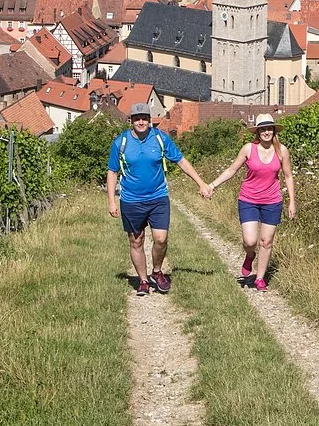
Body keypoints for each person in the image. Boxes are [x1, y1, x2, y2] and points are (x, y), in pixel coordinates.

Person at [106, 103, 211, 296]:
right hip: (131, 200)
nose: (141, 122)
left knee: (161, 239)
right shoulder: (120, 143)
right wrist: (112, 200)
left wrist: (201, 183)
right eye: (137, 118)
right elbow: (112, 171)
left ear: (150, 119)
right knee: (136, 241)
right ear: (131, 121)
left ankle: (156, 271)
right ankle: (143, 281)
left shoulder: (160, 138)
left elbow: (181, 160)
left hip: (158, 197)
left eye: (144, 118)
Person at [209, 113, 295, 291]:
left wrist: (292, 202)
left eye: (269, 128)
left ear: (274, 131)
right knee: (250, 241)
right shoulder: (248, 149)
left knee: (266, 241)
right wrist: (212, 185)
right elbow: (232, 170)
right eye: (263, 129)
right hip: (249, 199)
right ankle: (250, 256)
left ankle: (260, 278)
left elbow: (288, 176)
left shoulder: (282, 151)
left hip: (272, 201)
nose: (266, 132)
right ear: (257, 132)